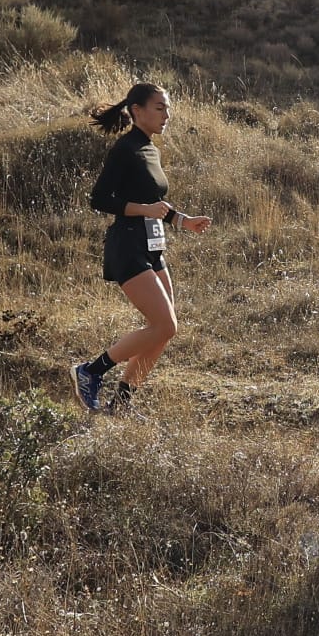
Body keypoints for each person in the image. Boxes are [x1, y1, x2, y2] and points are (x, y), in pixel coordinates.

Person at [71, 82, 211, 413]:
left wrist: (181, 220)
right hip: (127, 246)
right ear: (137, 111)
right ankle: (91, 371)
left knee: (162, 331)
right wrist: (147, 210)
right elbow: (100, 199)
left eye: (168, 108)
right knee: (165, 325)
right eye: (159, 108)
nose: (167, 115)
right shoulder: (125, 149)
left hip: (151, 245)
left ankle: (120, 404)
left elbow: (153, 203)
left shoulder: (149, 148)